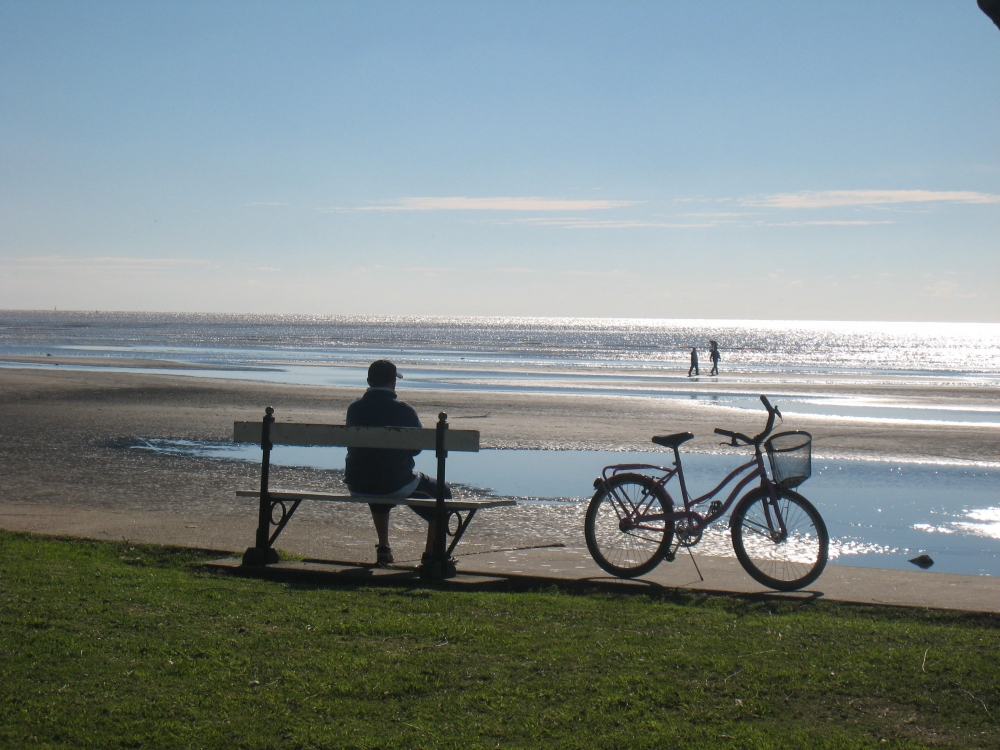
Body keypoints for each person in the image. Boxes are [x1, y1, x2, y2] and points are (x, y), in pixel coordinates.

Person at [345, 359, 450, 565]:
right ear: (393, 382)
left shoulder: (354, 408)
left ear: (368, 380)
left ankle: (384, 546)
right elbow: (417, 447)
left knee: (376, 480)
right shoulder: (404, 410)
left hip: (358, 482)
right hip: (394, 481)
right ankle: (432, 555)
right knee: (442, 492)